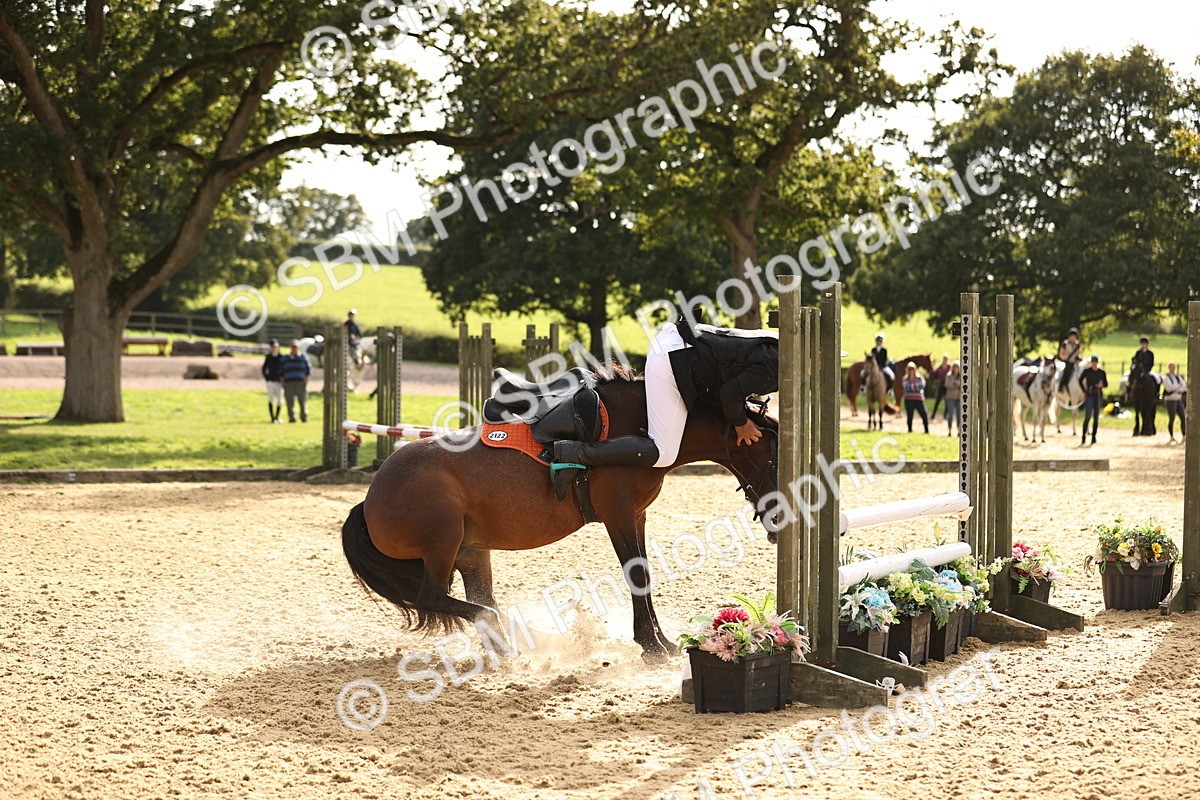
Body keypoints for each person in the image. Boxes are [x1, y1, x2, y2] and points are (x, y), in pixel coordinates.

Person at [548, 319, 779, 500]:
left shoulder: (784, 350)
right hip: (673, 359)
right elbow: (729, 394)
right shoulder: (778, 365)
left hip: (680, 347)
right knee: (664, 452)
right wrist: (741, 424)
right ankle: (576, 452)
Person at [280, 340, 312, 423]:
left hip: (300, 382)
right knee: (290, 401)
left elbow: (308, 370)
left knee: (302, 400)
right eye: (292, 347)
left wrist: (306, 379)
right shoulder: (285, 358)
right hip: (288, 382)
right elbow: (280, 370)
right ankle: (292, 418)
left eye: (296, 347)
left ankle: (304, 417)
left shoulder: (303, 358)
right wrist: (282, 380)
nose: (294, 349)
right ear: (290, 347)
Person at [1079, 355, 1108, 445]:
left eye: (1095, 362)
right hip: (1089, 395)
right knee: (1087, 417)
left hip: (1098, 396)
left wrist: (1101, 385)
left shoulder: (1101, 372)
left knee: (1096, 418)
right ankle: (1083, 437)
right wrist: (1085, 391)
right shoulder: (1087, 371)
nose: (1094, 364)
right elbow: (1080, 380)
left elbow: (1106, 384)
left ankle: (1093, 437)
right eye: (1093, 362)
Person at [1163, 362, 1187, 442]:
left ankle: (1184, 435)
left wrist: (1176, 389)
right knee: (1172, 418)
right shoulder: (1166, 378)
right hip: (1170, 400)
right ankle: (1171, 436)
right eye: (1172, 367)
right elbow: (1169, 388)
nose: (1173, 369)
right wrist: (1179, 387)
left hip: (1177, 400)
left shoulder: (1177, 377)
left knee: (1183, 417)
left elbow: (1184, 387)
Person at [902, 362, 929, 433]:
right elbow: (906, 387)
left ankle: (926, 430)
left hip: (919, 399)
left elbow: (921, 386)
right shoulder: (905, 379)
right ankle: (910, 430)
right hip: (908, 399)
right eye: (910, 369)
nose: (911, 371)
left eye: (912, 369)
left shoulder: (920, 378)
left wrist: (912, 386)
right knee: (910, 415)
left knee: (924, 414)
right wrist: (915, 386)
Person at [261, 339, 283, 424]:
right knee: (271, 399)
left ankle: (277, 417)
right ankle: (272, 418)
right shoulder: (268, 357)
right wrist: (267, 378)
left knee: (280, 400)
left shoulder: (281, 357)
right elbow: (264, 368)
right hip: (271, 381)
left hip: (279, 382)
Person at [944, 361, 962, 437]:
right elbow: (947, 384)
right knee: (950, 415)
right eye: (954, 367)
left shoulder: (961, 375)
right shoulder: (948, 375)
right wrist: (956, 383)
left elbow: (962, 384)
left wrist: (954, 383)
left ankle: (959, 431)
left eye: (957, 367)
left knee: (959, 415)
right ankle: (949, 430)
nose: (956, 369)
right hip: (950, 398)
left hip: (958, 398)